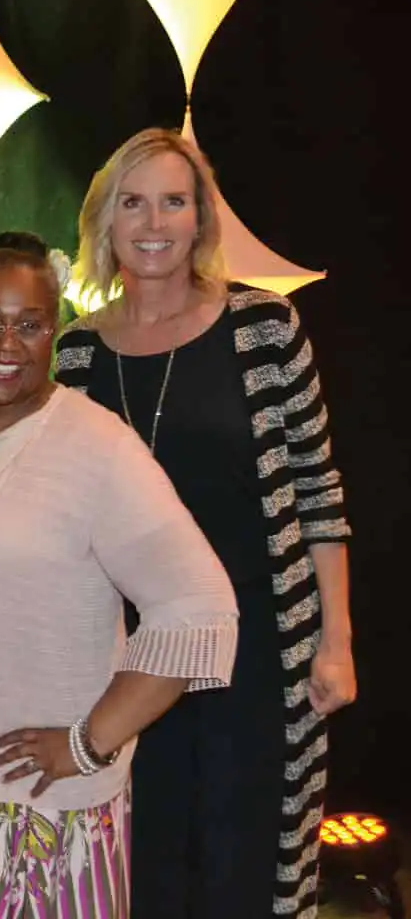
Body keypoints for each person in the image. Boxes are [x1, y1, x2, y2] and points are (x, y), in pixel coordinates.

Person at [0, 235, 239, 918]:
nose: (7, 344)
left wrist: (89, 743)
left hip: (22, 781)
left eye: (29, 325)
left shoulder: (96, 446)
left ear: (54, 332)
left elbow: (200, 605)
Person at [55, 127, 357, 918]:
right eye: (132, 203)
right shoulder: (75, 352)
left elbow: (317, 491)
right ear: (104, 221)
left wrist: (335, 642)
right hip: (130, 652)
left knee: (244, 865)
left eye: (173, 201)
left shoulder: (264, 329)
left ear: (199, 219)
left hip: (257, 648)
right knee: (143, 864)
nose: (153, 222)